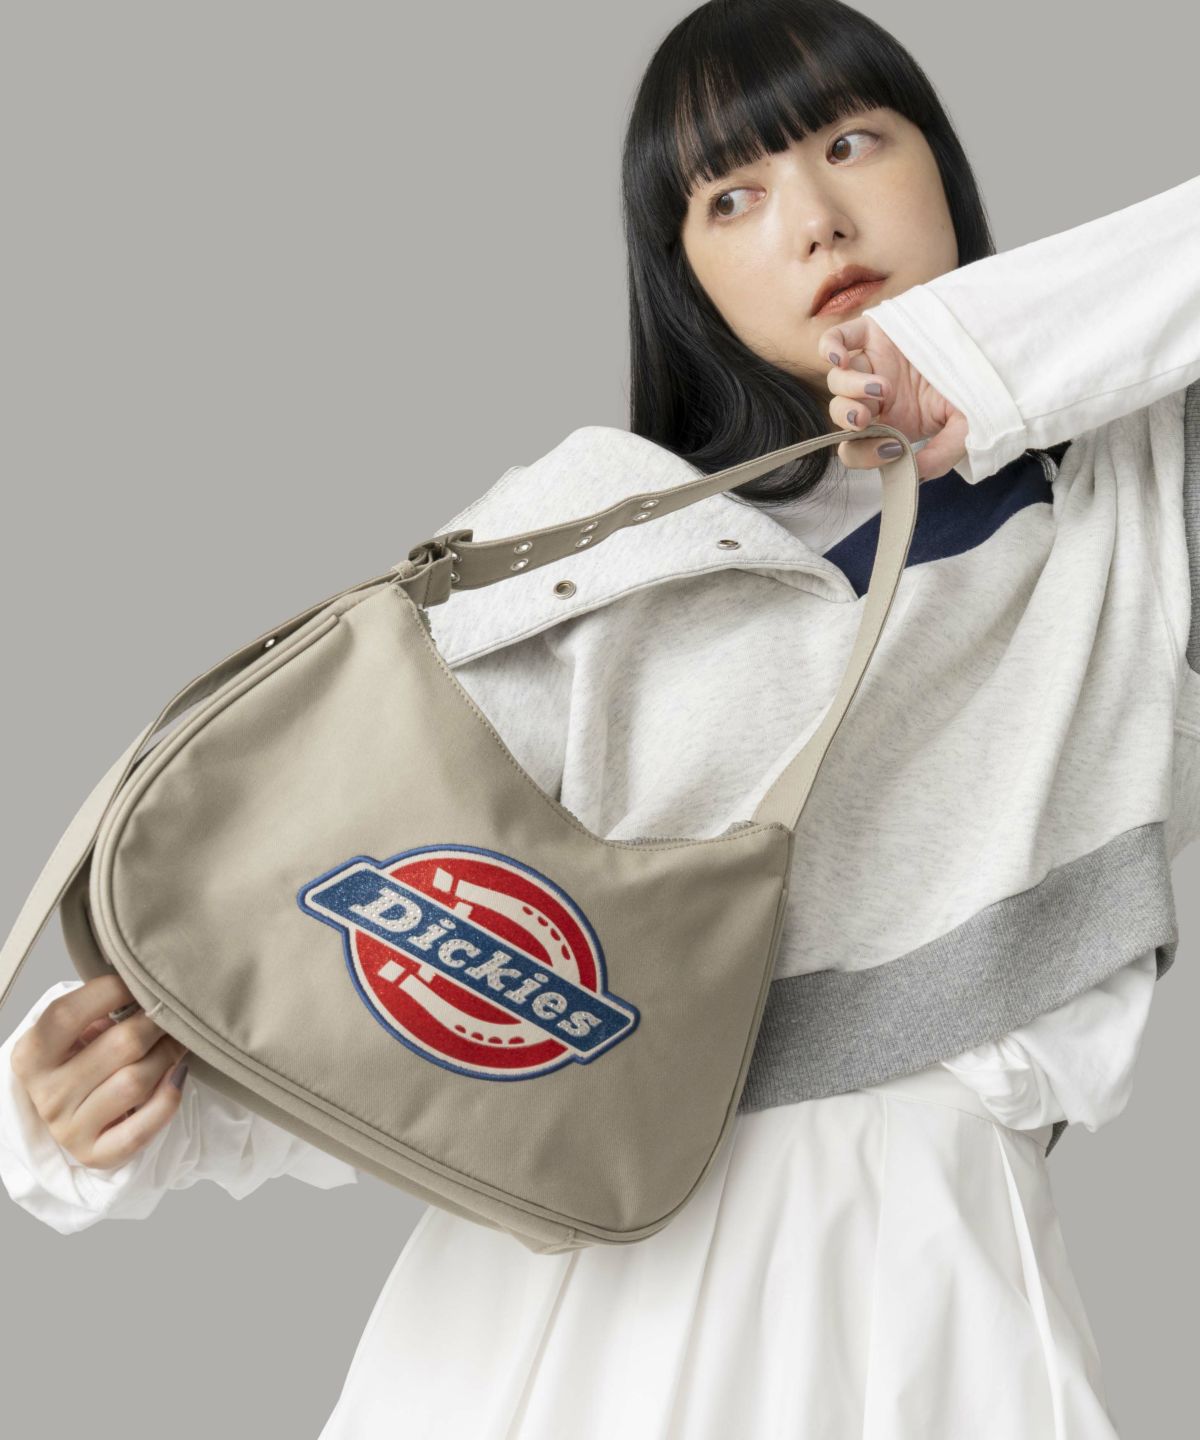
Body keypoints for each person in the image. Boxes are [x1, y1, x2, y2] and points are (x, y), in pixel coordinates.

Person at [3, 1, 1197, 1434]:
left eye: (852, 142)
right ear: (683, 275)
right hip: (557, 1315)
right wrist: (119, 1108)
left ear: (939, 160)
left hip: (926, 1285)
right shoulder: (584, 543)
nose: (815, 220)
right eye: (731, 197)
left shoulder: (1134, 503)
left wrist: (984, 354)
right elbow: (412, 989)